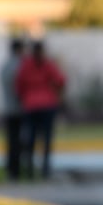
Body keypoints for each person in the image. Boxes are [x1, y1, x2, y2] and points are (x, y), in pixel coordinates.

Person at [16, 40, 66, 179]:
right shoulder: (47, 64)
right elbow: (61, 80)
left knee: (30, 138)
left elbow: (19, 84)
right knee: (47, 138)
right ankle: (45, 168)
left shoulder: (26, 65)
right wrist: (55, 91)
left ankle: (30, 169)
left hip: (31, 105)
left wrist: (24, 97)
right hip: (47, 104)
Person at [1, 38, 25, 180]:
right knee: (19, 141)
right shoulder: (20, 66)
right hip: (19, 109)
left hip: (8, 108)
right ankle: (16, 170)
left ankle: (11, 169)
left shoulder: (5, 65)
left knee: (11, 140)